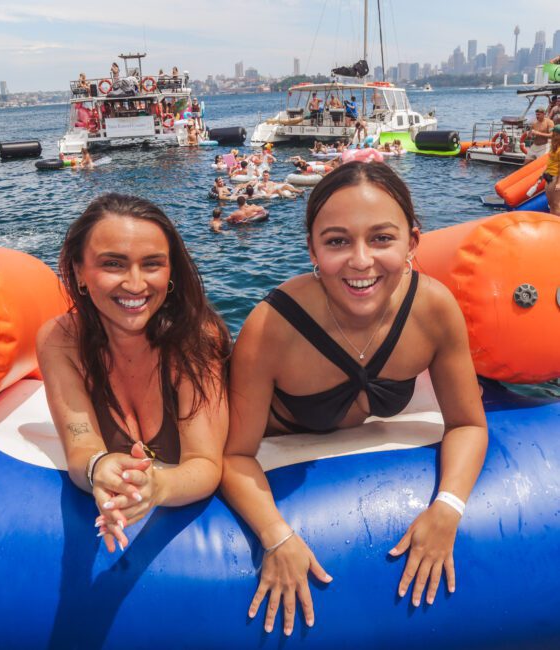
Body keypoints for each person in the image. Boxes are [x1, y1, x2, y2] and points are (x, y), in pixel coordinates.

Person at [220, 162, 488, 636]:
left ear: (413, 242)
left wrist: (448, 507)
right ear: (313, 250)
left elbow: (468, 423)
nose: (360, 261)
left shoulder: (433, 308)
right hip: (273, 435)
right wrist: (276, 536)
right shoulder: (272, 327)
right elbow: (234, 454)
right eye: (337, 241)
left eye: (382, 238)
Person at [36, 193, 230, 552]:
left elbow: (204, 463)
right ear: (80, 271)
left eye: (153, 264)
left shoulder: (197, 338)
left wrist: (157, 487)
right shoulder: (59, 340)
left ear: (171, 270)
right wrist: (100, 467)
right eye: (114, 264)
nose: (136, 284)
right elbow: (81, 447)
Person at [542, 125, 560, 216]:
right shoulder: (553, 146)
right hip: (549, 175)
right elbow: (550, 161)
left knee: (556, 204)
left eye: (554, 133)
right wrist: (544, 172)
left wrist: (558, 183)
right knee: (551, 204)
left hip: (555, 177)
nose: (552, 135)